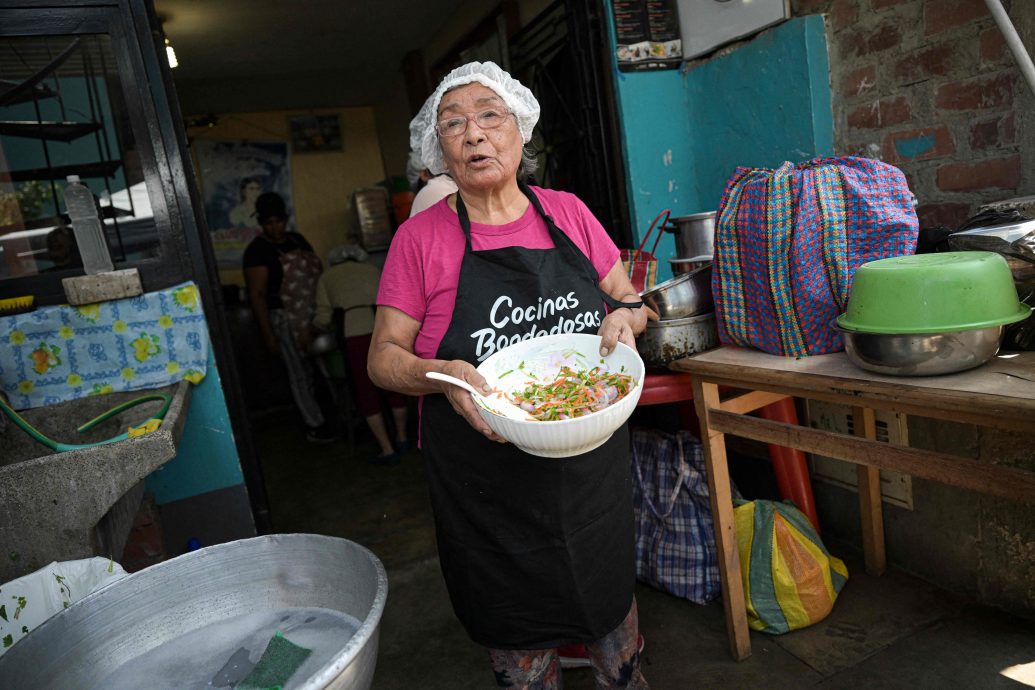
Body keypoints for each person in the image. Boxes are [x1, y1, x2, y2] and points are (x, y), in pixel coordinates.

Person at [369, 61, 652, 689]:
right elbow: (383, 357)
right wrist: (440, 374)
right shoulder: (420, 240)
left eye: (490, 115)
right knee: (520, 656)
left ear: (521, 132)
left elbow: (631, 301)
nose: (474, 134)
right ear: (437, 149)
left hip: (588, 477)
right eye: (453, 123)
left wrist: (628, 322)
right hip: (486, 490)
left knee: (617, 641)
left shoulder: (569, 213)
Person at [242, 192, 334, 443]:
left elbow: (318, 275)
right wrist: (268, 334)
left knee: (325, 369)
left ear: (285, 219)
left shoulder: (298, 240)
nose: (275, 227)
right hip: (285, 320)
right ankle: (315, 424)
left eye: (278, 221)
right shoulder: (257, 252)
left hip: (315, 315)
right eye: (269, 223)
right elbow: (257, 295)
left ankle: (335, 414)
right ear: (261, 224)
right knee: (299, 374)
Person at [312, 244, 409, 464]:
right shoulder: (372, 269)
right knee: (393, 386)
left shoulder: (327, 277)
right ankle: (402, 437)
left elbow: (322, 317)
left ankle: (387, 449)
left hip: (352, 335)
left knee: (365, 391)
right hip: (382, 329)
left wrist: (316, 327)